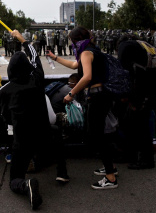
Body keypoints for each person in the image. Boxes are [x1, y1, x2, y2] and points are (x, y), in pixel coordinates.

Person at [0, 30, 69, 210]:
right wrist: (23, 40)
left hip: (22, 139)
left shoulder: (4, 91)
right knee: (57, 135)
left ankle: (25, 185)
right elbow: (35, 57)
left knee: (14, 178)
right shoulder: (37, 80)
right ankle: (62, 172)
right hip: (44, 133)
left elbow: (6, 117)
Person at [47, 26, 118, 190]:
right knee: (99, 134)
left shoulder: (86, 52)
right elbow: (74, 65)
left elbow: (86, 77)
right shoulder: (91, 50)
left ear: (75, 40)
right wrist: (55, 58)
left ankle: (111, 178)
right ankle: (110, 167)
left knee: (97, 135)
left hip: (98, 96)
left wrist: (71, 93)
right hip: (103, 95)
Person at [116, 34, 156, 169]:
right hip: (149, 91)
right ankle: (136, 156)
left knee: (138, 127)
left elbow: (125, 74)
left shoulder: (125, 48)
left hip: (140, 94)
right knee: (138, 125)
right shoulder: (142, 47)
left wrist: (128, 96)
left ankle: (145, 160)